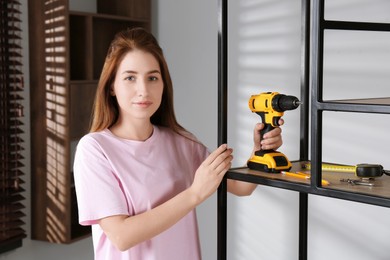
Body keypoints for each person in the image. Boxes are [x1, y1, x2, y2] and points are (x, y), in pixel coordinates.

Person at [73, 27, 283, 260]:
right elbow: (122, 236)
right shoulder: (95, 149)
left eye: (152, 78)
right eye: (130, 78)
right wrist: (194, 194)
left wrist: (261, 151)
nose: (143, 90)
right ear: (111, 86)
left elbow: (242, 188)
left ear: (163, 84)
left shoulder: (182, 143)